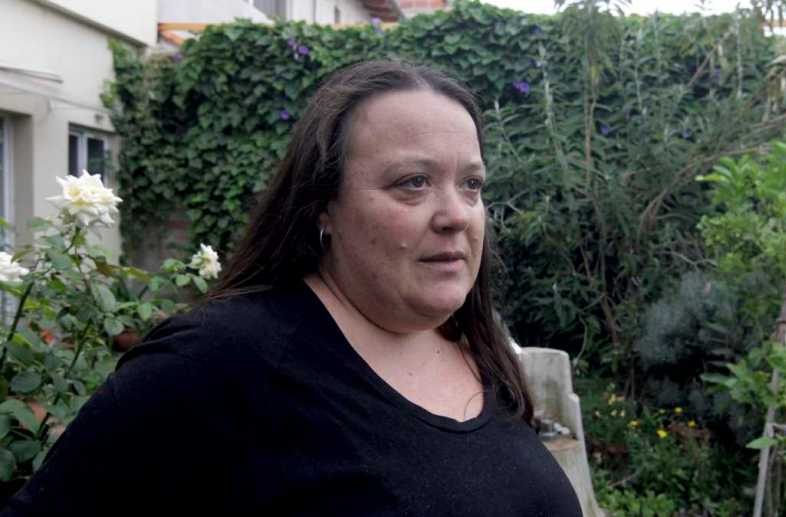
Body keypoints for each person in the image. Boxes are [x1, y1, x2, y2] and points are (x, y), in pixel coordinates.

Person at [1, 60, 582, 516]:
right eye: (413, 182)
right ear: (324, 205)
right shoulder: (219, 363)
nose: (457, 214)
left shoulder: (474, 345)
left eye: (472, 184)